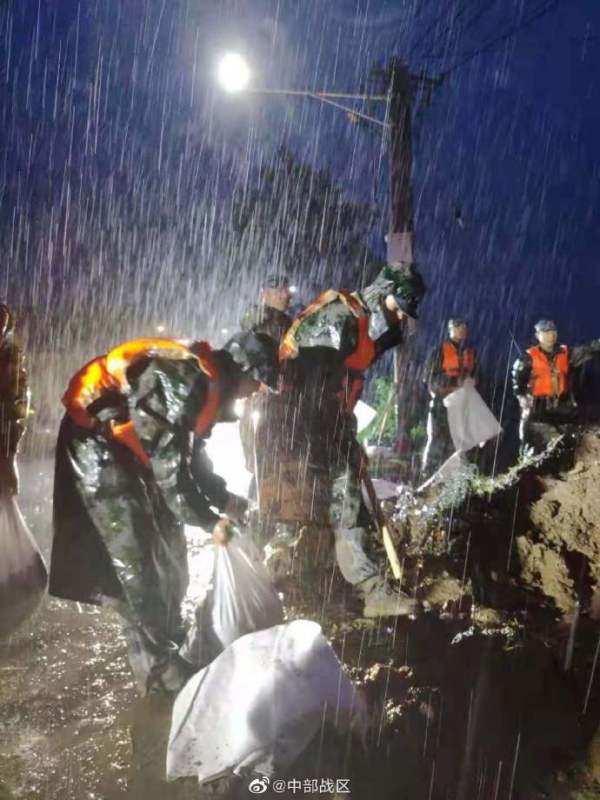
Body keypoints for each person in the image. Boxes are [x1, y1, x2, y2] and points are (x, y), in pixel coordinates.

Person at [49, 335, 276, 693]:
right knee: (136, 561)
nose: (257, 392)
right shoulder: (183, 380)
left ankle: (169, 634)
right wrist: (209, 521)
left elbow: (190, 456)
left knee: (170, 548)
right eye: (258, 383)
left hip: (133, 452)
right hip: (98, 447)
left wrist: (223, 499)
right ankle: (158, 674)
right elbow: (171, 472)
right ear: (243, 370)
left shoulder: (209, 387)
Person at [269, 264, 426, 617]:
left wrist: (347, 436)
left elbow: (340, 390)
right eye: (397, 305)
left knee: (344, 503)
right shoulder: (340, 319)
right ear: (381, 292)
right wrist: (337, 438)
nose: (399, 315)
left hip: (321, 424)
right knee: (295, 511)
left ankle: (362, 592)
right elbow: (313, 387)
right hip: (292, 427)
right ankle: (282, 596)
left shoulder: (363, 327)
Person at [512, 319, 600, 454]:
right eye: (546, 332)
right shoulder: (527, 358)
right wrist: (521, 397)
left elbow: (587, 351)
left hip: (562, 406)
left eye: (553, 332)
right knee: (533, 443)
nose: (551, 335)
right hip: (538, 409)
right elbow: (517, 380)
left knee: (576, 434)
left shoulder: (566, 353)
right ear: (538, 336)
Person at [421, 318, 477, 477]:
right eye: (458, 327)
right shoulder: (439, 351)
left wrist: (472, 381)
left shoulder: (471, 352)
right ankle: (428, 473)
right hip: (442, 402)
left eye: (464, 327)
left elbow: (477, 375)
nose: (462, 329)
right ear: (450, 329)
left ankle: (462, 476)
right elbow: (429, 378)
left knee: (462, 441)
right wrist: (452, 383)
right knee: (437, 438)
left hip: (463, 402)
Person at [0, 303, 28, 497]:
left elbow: (20, 398)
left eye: (2, 323)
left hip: (6, 427)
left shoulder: (13, 355)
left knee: (7, 485)